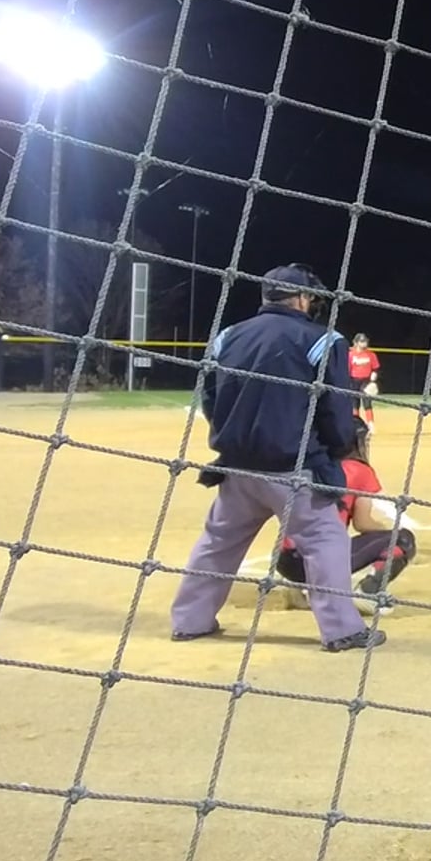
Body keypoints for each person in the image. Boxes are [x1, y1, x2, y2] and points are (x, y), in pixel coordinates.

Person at [170, 264, 385, 653]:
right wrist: (336, 449)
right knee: (325, 540)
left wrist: (235, 439)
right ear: (300, 299)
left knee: (218, 542)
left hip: (236, 466)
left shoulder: (228, 335)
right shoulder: (323, 340)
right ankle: (342, 630)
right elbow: (335, 411)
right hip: (294, 468)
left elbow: (211, 400)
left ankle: (190, 621)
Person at [270, 416, 416, 614]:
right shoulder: (360, 470)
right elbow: (362, 523)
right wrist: (388, 531)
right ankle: (369, 592)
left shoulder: (309, 464)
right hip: (317, 561)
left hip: (284, 559)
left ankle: (296, 587)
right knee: (403, 540)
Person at [347, 333, 380, 429]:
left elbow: (375, 368)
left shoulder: (371, 354)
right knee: (355, 403)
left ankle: (370, 424)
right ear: (356, 343)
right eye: (362, 341)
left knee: (367, 402)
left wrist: (374, 375)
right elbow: (348, 369)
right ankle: (356, 424)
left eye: (365, 341)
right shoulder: (351, 354)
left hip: (366, 380)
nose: (364, 343)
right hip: (354, 380)